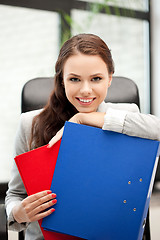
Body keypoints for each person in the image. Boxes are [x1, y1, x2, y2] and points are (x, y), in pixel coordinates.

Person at [5, 33, 160, 240]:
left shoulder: (127, 114)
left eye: (96, 78)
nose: (85, 90)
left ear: (110, 78)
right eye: (74, 79)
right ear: (62, 79)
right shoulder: (30, 124)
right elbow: (15, 195)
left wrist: (88, 119)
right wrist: (19, 213)